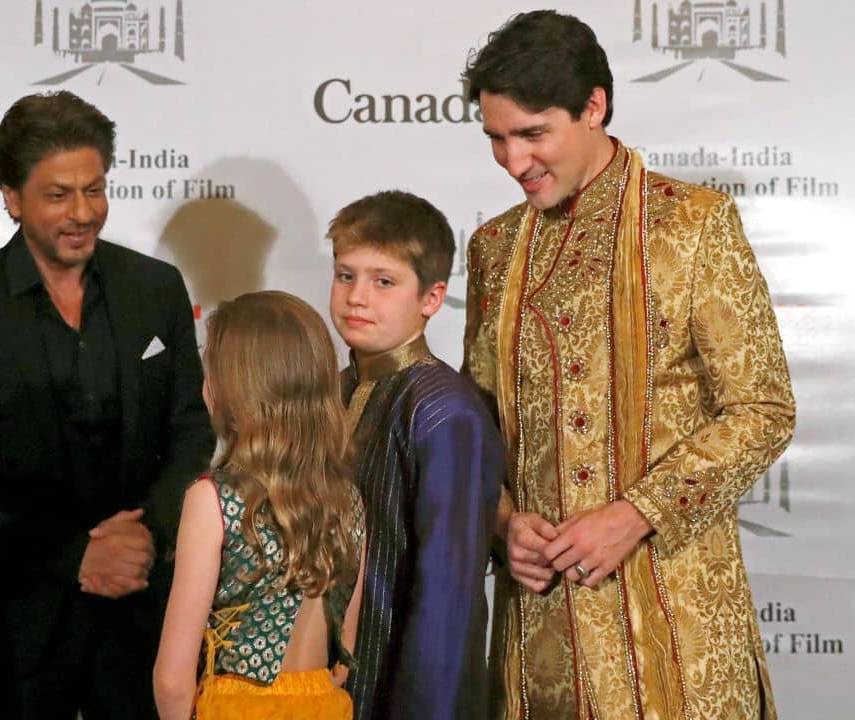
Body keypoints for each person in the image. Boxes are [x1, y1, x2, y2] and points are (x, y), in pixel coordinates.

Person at [461, 11, 796, 718]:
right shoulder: (494, 248)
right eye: (496, 138)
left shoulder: (692, 224)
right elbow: (479, 425)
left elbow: (763, 409)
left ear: (594, 107)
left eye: (532, 134)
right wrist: (501, 523)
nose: (514, 161)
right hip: (542, 630)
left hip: (674, 621)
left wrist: (637, 512)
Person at [0, 90, 215, 719]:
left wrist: (148, 536)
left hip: (144, 616)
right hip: (16, 624)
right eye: (58, 195)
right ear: (12, 197)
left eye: (94, 189)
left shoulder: (155, 290)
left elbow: (190, 431)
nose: (83, 212)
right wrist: (74, 555)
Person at [328, 191, 504, 719]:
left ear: (431, 299)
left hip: (397, 691)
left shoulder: (444, 411)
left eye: (384, 281)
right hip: (323, 686)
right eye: (345, 275)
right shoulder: (330, 392)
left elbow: (447, 605)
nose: (357, 296)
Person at [154, 291, 366, 720]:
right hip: (325, 704)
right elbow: (345, 650)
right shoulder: (349, 499)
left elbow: (172, 680)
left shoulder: (212, 500)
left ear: (229, 392)